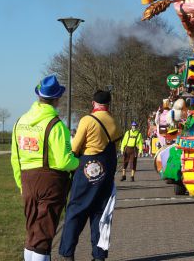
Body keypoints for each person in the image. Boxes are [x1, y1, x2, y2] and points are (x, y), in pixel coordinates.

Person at [11, 75, 79, 261]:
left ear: (39, 96)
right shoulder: (56, 125)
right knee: (44, 236)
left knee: (32, 231)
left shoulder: (20, 122)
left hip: (27, 180)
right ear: (57, 99)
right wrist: (78, 163)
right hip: (51, 183)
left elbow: (15, 158)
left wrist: (21, 184)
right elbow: (64, 161)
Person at [59, 90, 122, 261]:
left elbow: (75, 147)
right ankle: (99, 255)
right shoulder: (114, 121)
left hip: (87, 170)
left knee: (76, 211)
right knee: (101, 214)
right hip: (106, 172)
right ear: (108, 104)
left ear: (93, 103)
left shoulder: (87, 120)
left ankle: (68, 253)